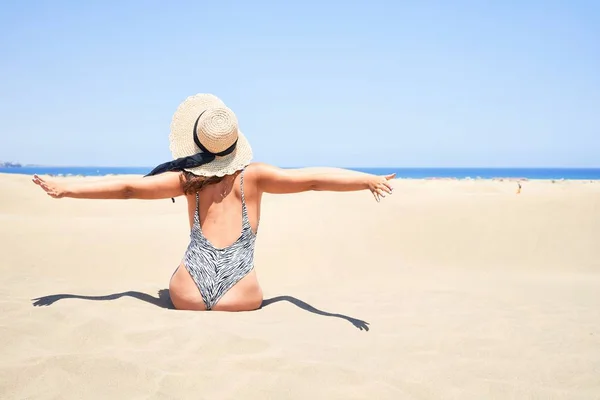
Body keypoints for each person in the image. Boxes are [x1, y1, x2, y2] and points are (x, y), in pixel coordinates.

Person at [32, 93, 396, 312]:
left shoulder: (187, 181)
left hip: (188, 294)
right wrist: (366, 180)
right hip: (242, 296)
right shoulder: (254, 176)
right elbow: (313, 180)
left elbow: (128, 189)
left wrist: (66, 190)